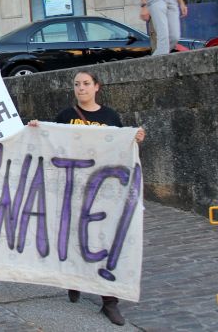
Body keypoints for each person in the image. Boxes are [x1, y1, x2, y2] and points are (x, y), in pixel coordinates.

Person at [28, 71, 145, 326]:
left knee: (105, 240)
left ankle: (109, 301)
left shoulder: (110, 117)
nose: (81, 89)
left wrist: (135, 138)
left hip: (103, 192)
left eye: (86, 84)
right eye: (77, 85)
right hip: (73, 188)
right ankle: (74, 280)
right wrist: (37, 130)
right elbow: (51, 142)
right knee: (72, 236)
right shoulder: (65, 116)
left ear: (96, 87)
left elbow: (121, 149)